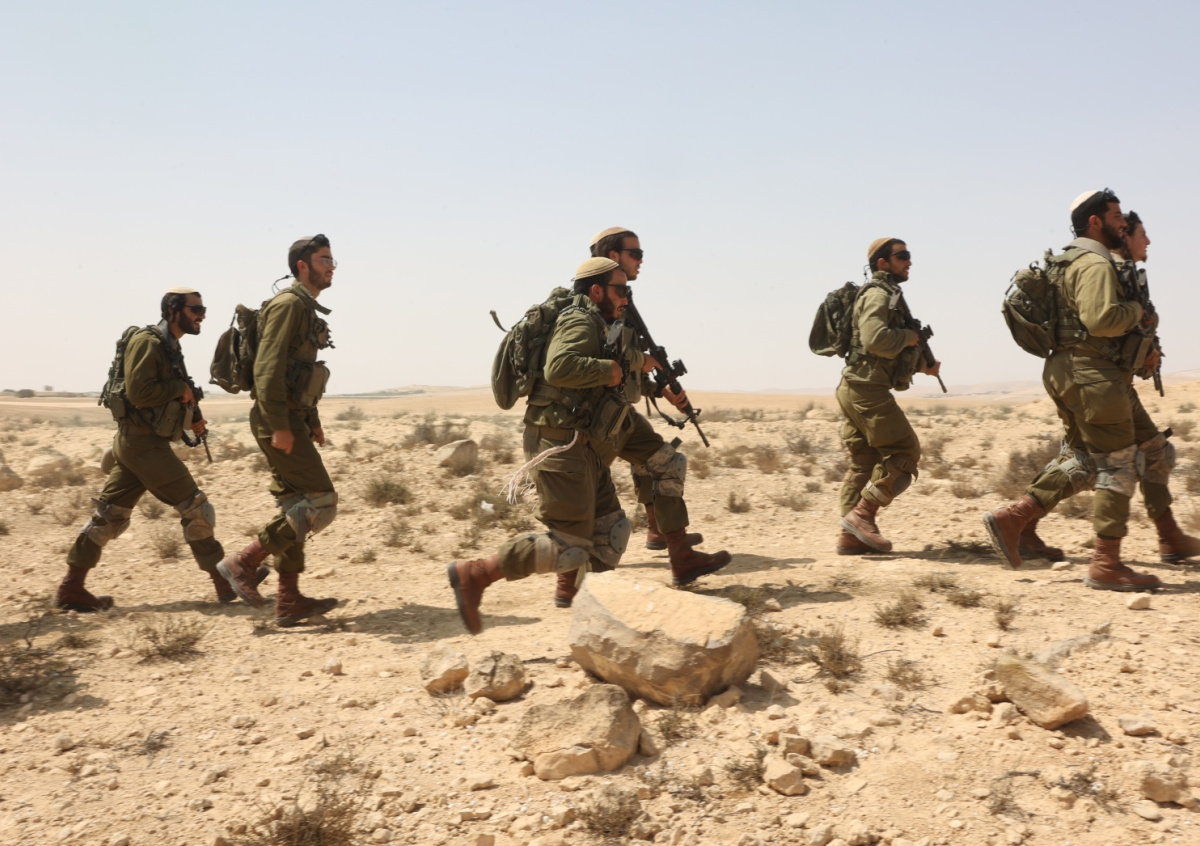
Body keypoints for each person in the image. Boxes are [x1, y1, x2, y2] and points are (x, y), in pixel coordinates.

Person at [449, 257, 719, 635]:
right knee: (570, 547)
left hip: (584, 444)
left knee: (610, 535)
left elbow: (607, 378)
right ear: (596, 290)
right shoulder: (580, 319)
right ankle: (476, 574)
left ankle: (595, 619)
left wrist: (639, 380)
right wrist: (610, 370)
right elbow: (559, 366)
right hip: (560, 444)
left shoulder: (603, 324)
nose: (626, 297)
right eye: (620, 290)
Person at [984, 198, 1195, 588]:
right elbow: (1100, 320)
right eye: (1117, 217)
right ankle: (1105, 564)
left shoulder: (1069, 261)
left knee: (1151, 451)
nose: (1123, 225)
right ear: (1096, 222)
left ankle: (1169, 537)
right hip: (1092, 376)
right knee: (1117, 465)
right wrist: (1137, 312)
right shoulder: (1096, 263)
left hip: (1081, 373)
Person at [566, 225, 730, 608]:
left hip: (616, 412)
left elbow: (626, 365)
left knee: (664, 462)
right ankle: (561, 583)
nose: (641, 261)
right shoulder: (591, 304)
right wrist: (643, 364)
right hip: (591, 419)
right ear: (613, 256)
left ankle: (677, 551)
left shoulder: (621, 300)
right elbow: (603, 359)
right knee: (588, 509)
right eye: (635, 253)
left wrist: (659, 389)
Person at [58, 287, 248, 610]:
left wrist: (192, 417)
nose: (202, 316)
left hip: (141, 445)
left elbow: (168, 395)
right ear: (173, 311)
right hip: (143, 445)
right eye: (195, 309)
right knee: (196, 508)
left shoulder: (170, 346)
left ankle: (71, 588)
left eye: (203, 310)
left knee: (109, 516)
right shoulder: (148, 342)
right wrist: (179, 388)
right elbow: (139, 392)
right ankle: (225, 580)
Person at [218, 235, 340, 625]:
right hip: (278, 419)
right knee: (321, 501)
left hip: (291, 417)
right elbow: (267, 369)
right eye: (324, 260)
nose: (331, 267)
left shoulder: (303, 306)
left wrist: (311, 420)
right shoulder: (289, 305)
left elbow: (297, 371)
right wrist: (279, 426)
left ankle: (288, 600)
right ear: (302, 266)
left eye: (332, 260)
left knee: (295, 505)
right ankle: (244, 561)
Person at [836, 238, 940, 554]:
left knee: (864, 463)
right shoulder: (878, 294)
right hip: (866, 389)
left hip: (856, 386)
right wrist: (909, 337)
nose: (909, 262)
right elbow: (875, 339)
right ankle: (862, 515)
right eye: (902, 256)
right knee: (905, 452)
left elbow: (881, 351)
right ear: (882, 263)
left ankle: (851, 537)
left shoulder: (889, 296)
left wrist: (922, 365)